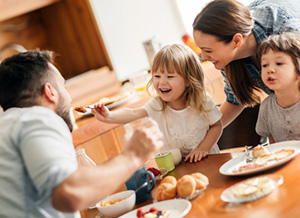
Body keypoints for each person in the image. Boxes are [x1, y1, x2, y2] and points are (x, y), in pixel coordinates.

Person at [0, 50, 163, 218]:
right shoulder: (36, 118)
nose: (69, 98)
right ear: (50, 92)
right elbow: (70, 193)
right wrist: (133, 156)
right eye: (63, 86)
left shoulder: (8, 127)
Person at [92, 44, 223, 163]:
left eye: (170, 77)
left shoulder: (201, 100)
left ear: (188, 80)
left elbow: (217, 126)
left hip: (208, 162)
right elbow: (133, 113)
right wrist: (109, 116)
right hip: (177, 169)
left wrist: (203, 149)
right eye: (157, 76)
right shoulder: (158, 105)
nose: (162, 82)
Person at [192, 0, 300, 128]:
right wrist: (200, 133)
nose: (203, 57)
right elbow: (235, 101)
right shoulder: (229, 58)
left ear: (237, 40)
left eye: (208, 50)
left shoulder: (286, 31)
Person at [255, 32, 300, 143]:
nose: (270, 69)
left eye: (279, 63)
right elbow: (273, 146)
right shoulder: (266, 108)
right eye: (265, 65)